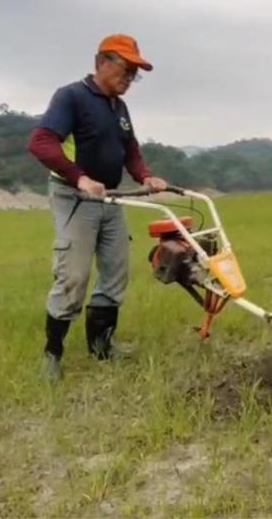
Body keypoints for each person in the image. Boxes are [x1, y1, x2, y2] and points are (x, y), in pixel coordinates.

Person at [27, 34, 168, 381]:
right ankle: (52, 354)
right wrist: (79, 178)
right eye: (126, 69)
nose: (130, 79)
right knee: (73, 276)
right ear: (102, 63)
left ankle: (102, 347)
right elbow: (41, 142)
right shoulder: (71, 97)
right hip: (76, 199)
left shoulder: (119, 108)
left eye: (135, 74)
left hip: (111, 199)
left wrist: (146, 176)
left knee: (116, 272)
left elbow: (130, 150)